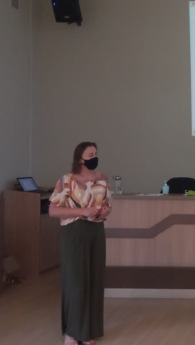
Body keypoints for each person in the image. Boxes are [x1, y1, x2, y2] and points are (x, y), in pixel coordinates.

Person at [49, 142, 112, 345]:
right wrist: (82, 211)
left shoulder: (102, 179)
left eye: (95, 154)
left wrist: (104, 210)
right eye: (90, 155)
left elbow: (106, 205)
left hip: (96, 231)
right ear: (80, 159)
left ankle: (88, 332)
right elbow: (53, 210)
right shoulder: (67, 180)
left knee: (94, 280)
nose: (94, 157)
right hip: (74, 232)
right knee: (75, 282)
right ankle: (72, 332)